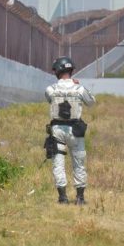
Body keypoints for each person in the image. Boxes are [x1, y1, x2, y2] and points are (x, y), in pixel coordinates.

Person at [45, 56, 95, 205]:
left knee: (58, 163)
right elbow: (91, 102)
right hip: (75, 130)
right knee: (79, 163)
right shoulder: (79, 88)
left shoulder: (50, 89)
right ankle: (80, 198)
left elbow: (49, 99)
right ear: (71, 71)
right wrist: (79, 86)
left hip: (57, 130)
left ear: (57, 71)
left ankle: (62, 197)